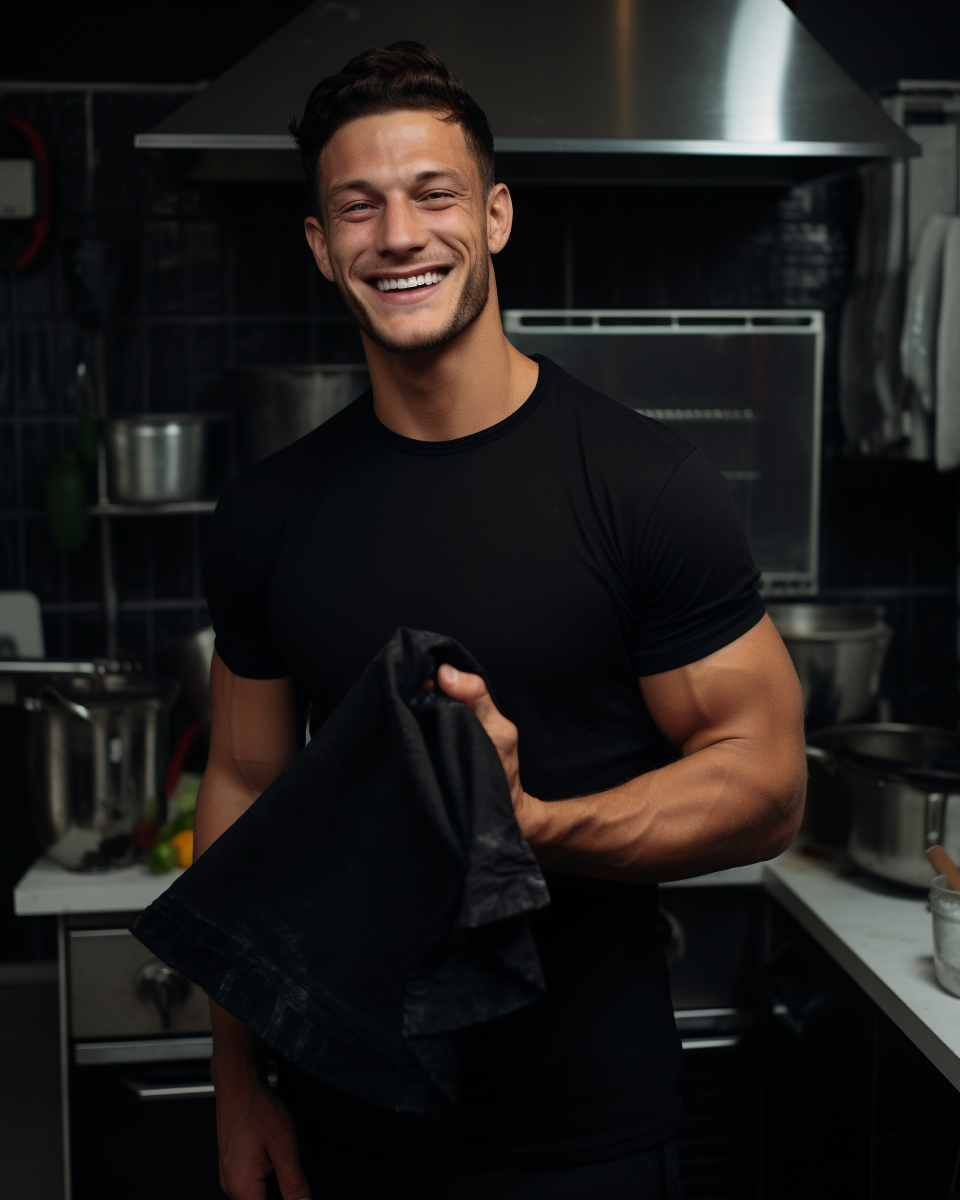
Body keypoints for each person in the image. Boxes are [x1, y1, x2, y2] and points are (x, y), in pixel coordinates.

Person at [196, 40, 806, 1200]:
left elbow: (768, 781)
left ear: (496, 215)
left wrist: (526, 825)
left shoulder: (643, 487)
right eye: (358, 207)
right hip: (345, 1116)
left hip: (586, 1138)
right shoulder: (269, 512)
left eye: (435, 194)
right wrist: (239, 1082)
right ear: (324, 248)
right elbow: (241, 786)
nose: (401, 234)